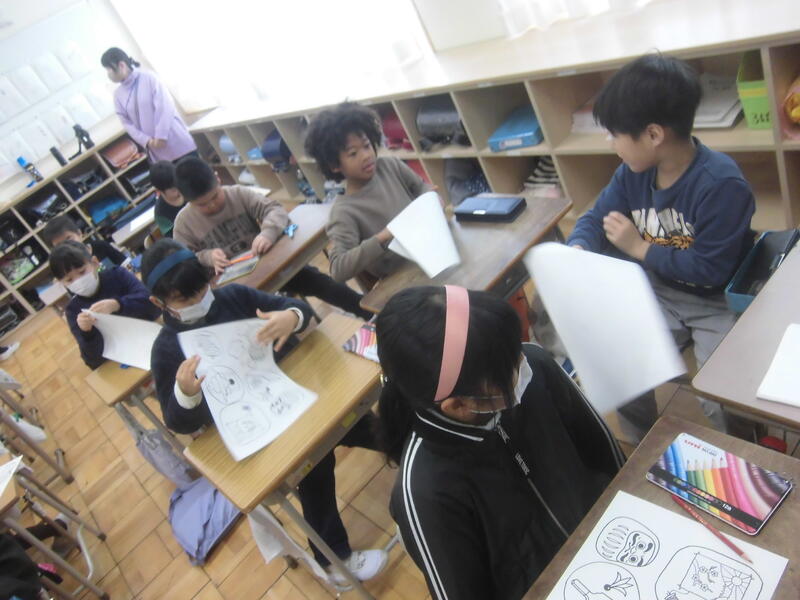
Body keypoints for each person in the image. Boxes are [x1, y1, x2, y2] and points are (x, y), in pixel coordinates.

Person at [142, 239, 388, 585]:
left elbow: (294, 308)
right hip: (257, 427)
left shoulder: (233, 296)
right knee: (314, 471)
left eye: (201, 289)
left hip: (297, 394)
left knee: (364, 425)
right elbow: (176, 421)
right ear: (160, 303)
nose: (199, 300)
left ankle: (417, 455)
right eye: (185, 299)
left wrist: (292, 317)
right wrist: (185, 394)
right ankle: (334, 558)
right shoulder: (167, 349)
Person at [375, 286, 623, 600]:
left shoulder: (535, 365)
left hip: (614, 541)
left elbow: (605, 453)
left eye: (514, 350)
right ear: (458, 405)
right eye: (508, 372)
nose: (523, 364)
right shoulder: (425, 491)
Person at [565, 53, 755, 437]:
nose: (609, 141)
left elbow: (711, 270)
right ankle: (643, 447)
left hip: (715, 300)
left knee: (721, 396)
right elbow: (595, 219)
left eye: (615, 133)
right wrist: (579, 249)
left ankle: (746, 449)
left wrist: (641, 249)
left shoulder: (721, 184)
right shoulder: (631, 173)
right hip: (658, 290)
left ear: (653, 135)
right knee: (624, 371)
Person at [172, 157, 372, 320]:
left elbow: (274, 210)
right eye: (202, 205)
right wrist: (207, 257)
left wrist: (267, 233)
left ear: (218, 180)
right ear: (186, 199)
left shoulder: (238, 194)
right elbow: (185, 265)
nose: (212, 206)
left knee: (320, 283)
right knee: (264, 321)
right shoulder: (183, 223)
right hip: (233, 292)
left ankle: (369, 312)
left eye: (215, 196)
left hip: (268, 267)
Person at [304, 102, 431, 284]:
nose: (366, 155)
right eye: (353, 153)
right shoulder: (343, 212)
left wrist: (431, 198)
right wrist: (383, 237)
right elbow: (338, 269)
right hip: (401, 276)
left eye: (366, 145)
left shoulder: (389, 165)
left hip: (428, 247)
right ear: (334, 165)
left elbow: (420, 187)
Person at [49, 241, 161, 369]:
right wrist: (86, 332)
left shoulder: (118, 275)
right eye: (69, 280)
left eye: (82, 272)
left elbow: (154, 304)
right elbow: (92, 361)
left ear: (95, 263)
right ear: (61, 283)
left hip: (154, 336)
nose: (78, 281)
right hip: (126, 360)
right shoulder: (73, 311)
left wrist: (118, 304)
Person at [101, 47, 197, 163]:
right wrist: (147, 141)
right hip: (157, 151)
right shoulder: (118, 95)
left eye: (109, 69)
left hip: (176, 140)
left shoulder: (149, 77)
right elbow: (127, 123)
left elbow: (165, 106)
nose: (108, 74)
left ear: (121, 65)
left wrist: (161, 136)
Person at [42, 216, 127, 268]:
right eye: (60, 246)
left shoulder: (101, 246)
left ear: (79, 234)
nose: (67, 246)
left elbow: (126, 264)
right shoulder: (66, 269)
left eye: (69, 239)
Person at [150, 160, 186, 237]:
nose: (179, 189)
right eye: (173, 190)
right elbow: (175, 239)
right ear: (159, 191)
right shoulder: (161, 212)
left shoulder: (188, 187)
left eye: (178, 183)